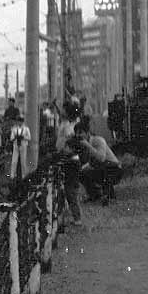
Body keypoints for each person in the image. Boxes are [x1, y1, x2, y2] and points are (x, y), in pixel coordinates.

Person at [71, 115, 122, 205]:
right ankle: (94, 195)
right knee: (80, 172)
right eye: (77, 133)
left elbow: (101, 158)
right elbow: (88, 162)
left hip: (114, 169)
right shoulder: (81, 145)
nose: (78, 136)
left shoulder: (98, 140)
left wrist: (88, 145)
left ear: (87, 133)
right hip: (102, 169)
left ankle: (109, 195)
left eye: (81, 133)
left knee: (102, 166)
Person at [56, 96, 83, 225]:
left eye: (63, 110)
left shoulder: (70, 126)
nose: (61, 112)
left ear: (67, 112)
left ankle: (77, 218)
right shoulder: (66, 123)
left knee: (70, 191)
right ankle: (71, 216)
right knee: (67, 190)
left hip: (70, 160)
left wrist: (65, 149)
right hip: (68, 159)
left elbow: (72, 143)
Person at [9, 114, 31, 180]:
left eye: (20, 121)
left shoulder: (26, 129)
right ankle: (12, 175)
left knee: (23, 161)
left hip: (23, 145)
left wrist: (23, 137)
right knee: (14, 161)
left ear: (22, 122)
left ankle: (24, 175)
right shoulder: (14, 129)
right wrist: (15, 137)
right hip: (16, 145)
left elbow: (29, 138)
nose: (19, 122)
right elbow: (11, 138)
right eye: (18, 121)